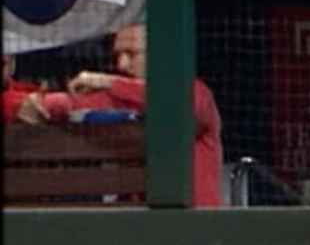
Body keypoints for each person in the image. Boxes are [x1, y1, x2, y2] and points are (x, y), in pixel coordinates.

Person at [43, 25, 224, 206]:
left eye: (132, 54)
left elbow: (178, 105)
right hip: (139, 222)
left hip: (194, 223)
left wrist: (108, 81)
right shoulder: (120, 97)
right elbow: (66, 103)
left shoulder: (195, 92)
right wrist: (42, 102)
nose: (121, 64)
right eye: (117, 56)